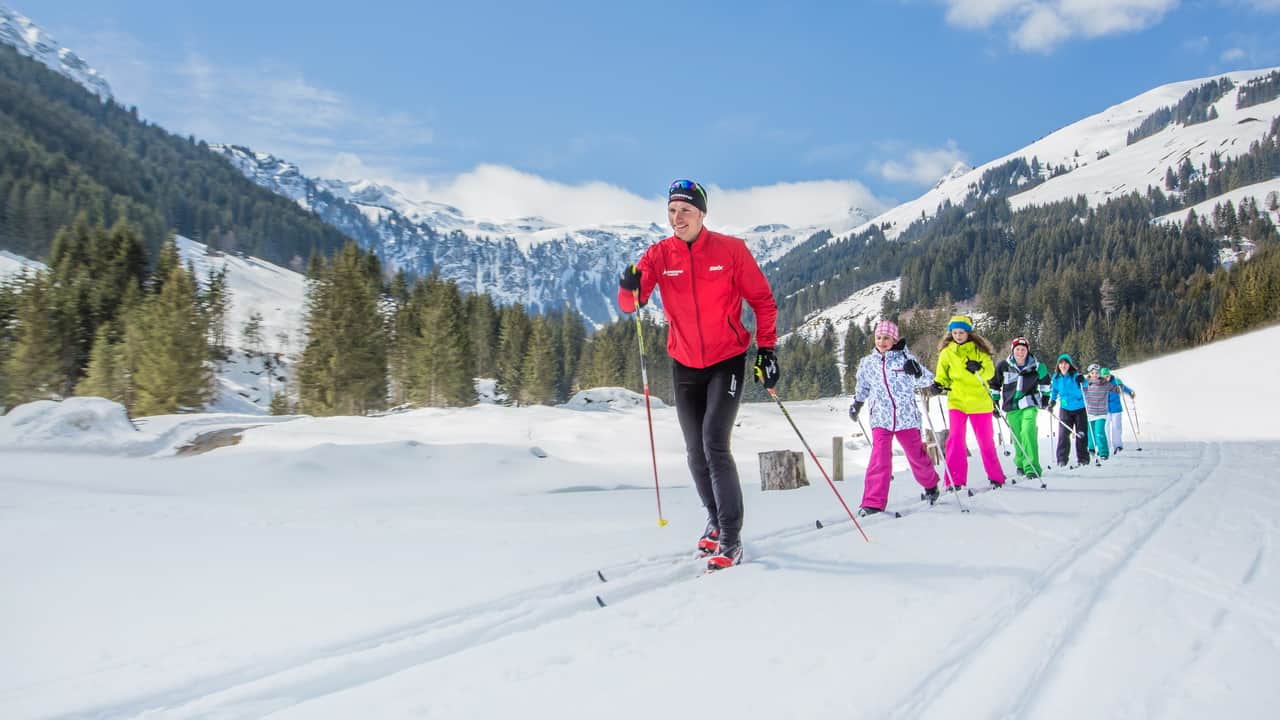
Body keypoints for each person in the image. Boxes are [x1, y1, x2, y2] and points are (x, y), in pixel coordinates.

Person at [617, 179, 778, 572]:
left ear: (702, 214)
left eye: (685, 211)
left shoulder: (730, 250)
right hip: (685, 363)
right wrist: (629, 287)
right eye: (672, 211)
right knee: (694, 451)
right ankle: (713, 517)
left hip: (727, 359)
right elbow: (631, 305)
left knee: (714, 443)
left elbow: (762, 300)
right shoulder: (658, 254)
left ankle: (731, 537)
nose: (677, 219)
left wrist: (768, 349)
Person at [849, 320, 942, 515]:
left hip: (906, 418)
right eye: (878, 337)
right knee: (879, 458)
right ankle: (873, 502)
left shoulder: (905, 360)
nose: (882, 341)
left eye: (886, 338)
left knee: (916, 455)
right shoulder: (868, 363)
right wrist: (857, 404)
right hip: (880, 418)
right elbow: (863, 386)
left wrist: (916, 371)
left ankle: (930, 483)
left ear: (894, 339)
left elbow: (928, 379)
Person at [930, 314, 1006, 490]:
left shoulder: (979, 350)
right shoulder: (947, 352)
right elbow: (942, 375)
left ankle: (996, 477)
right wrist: (938, 384)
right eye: (955, 332)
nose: (958, 336)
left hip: (979, 402)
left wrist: (979, 367)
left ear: (968, 333)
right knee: (955, 441)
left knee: (985, 441)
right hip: (957, 401)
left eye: (961, 333)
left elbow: (989, 373)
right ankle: (954, 481)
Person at [990, 337, 1051, 478]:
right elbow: (994, 385)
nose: (1020, 352)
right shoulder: (1003, 366)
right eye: (1017, 349)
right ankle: (1021, 463)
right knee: (1017, 436)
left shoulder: (1037, 366)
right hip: (1012, 406)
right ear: (1013, 350)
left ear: (1027, 350)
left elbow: (1045, 383)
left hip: (1029, 403)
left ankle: (1032, 467)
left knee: (1028, 431)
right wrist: (995, 403)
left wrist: (1046, 398)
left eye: (1023, 349)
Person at [1049, 353, 1090, 467]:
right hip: (1065, 409)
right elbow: (1054, 392)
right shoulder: (1056, 378)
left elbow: (1086, 384)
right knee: (1063, 435)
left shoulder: (1075, 375)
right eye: (1061, 363)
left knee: (1081, 434)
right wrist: (1052, 402)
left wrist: (1083, 380)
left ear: (1069, 365)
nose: (1063, 365)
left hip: (1079, 408)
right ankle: (1062, 459)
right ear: (1058, 365)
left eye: (1066, 363)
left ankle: (1083, 458)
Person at [1081, 363, 1121, 459]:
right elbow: (1079, 391)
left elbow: (1115, 389)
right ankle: (1091, 449)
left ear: (1099, 374)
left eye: (1096, 373)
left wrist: (1119, 386)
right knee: (1090, 433)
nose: (1095, 374)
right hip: (1090, 412)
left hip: (1101, 413)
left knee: (1099, 432)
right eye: (1092, 373)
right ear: (1089, 374)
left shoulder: (1105, 383)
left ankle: (1103, 452)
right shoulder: (1086, 383)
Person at [1100, 368, 1136, 452]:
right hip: (1104, 408)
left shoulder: (1116, 381)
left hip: (1116, 408)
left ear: (1110, 375)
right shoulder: (1100, 383)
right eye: (1104, 377)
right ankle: (1106, 445)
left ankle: (1118, 445)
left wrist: (1130, 392)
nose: (1106, 378)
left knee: (1116, 427)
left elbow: (1124, 388)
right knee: (1105, 427)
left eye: (1107, 376)